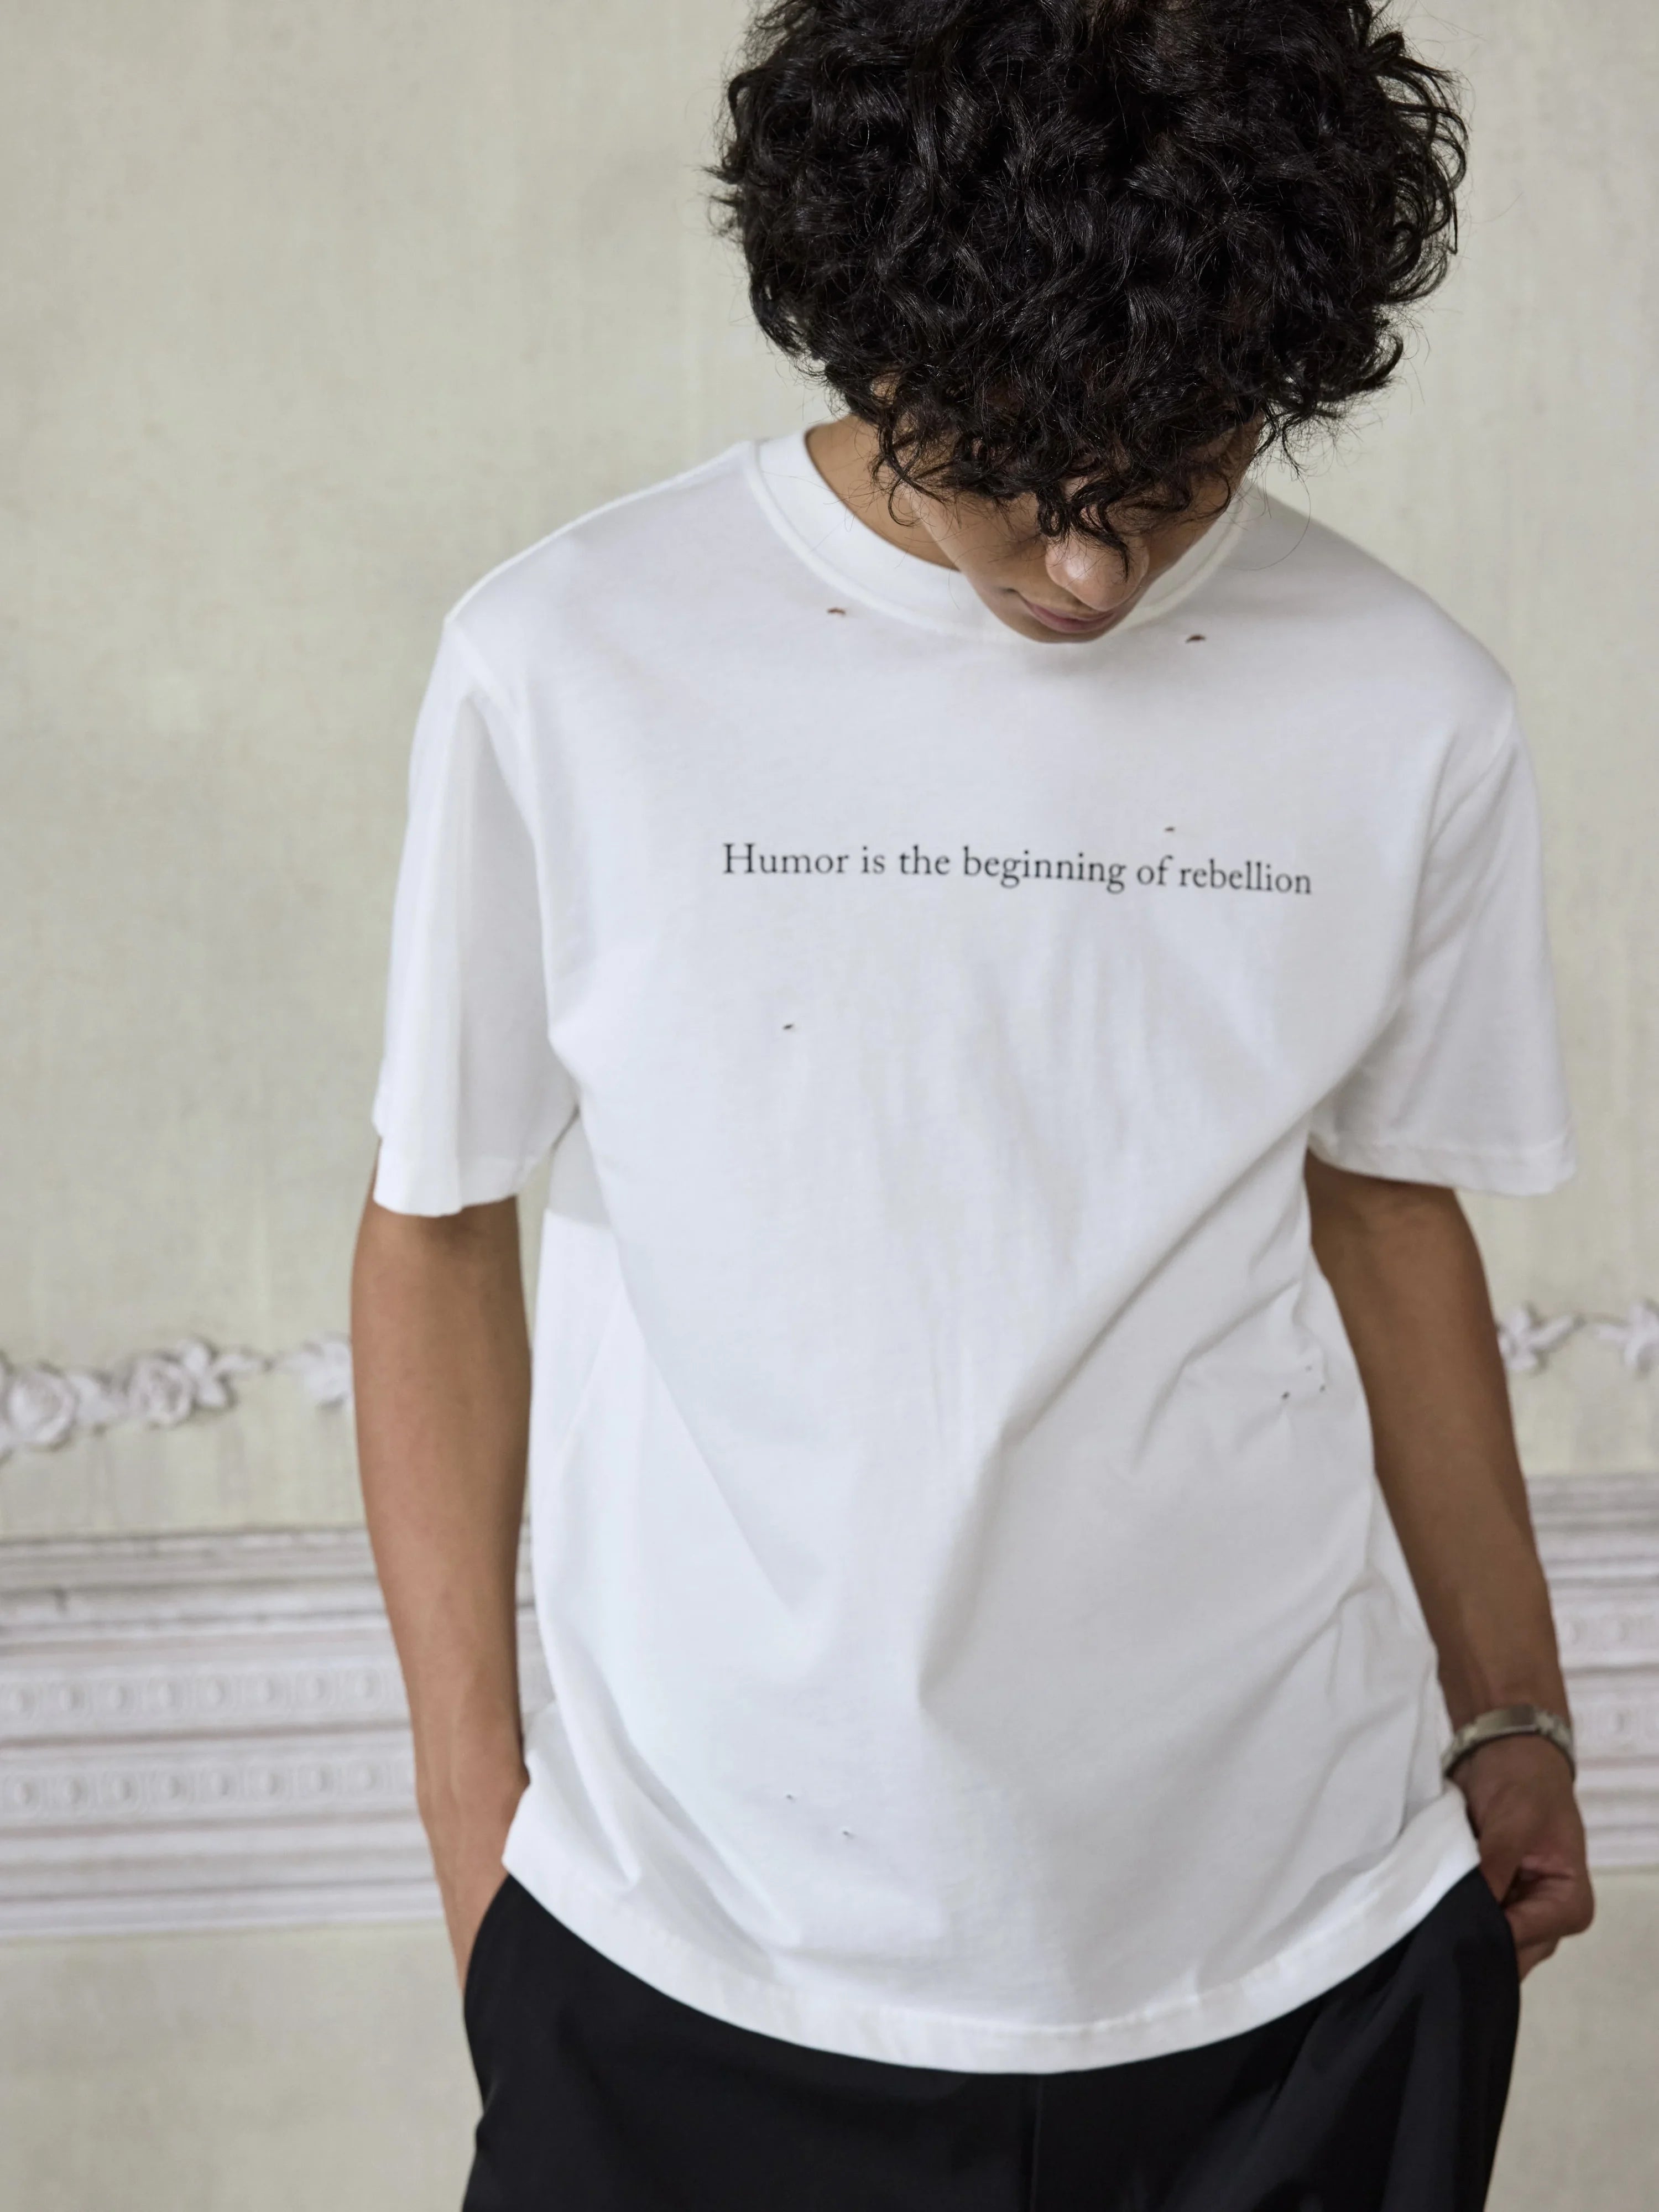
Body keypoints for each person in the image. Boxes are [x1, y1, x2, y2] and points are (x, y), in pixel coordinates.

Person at [351, 2, 1594, 2205]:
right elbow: (436, 1228)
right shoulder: (570, 662)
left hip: (1307, 1960)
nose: (1093, 574)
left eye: (1179, 481)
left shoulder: (1412, 709)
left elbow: (1388, 1215)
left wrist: (1513, 1711)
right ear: (873, 342)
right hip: (695, 1960)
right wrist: (484, 1847)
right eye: (1018, 480)